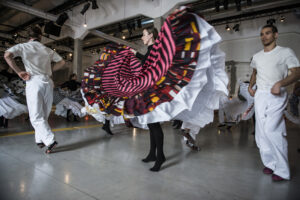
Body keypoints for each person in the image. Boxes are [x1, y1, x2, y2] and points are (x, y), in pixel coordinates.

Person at [248, 24, 300, 181]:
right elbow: (255, 72)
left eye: (268, 33)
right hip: (260, 95)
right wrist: (251, 86)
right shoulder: (257, 56)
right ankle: (270, 164)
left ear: (276, 35)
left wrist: (280, 84)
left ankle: (283, 170)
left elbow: (296, 72)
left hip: (277, 93)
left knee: (272, 130)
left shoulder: (285, 52)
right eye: (262, 34)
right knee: (261, 134)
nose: (264, 36)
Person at [4, 26, 65, 154]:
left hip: (34, 81)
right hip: (48, 81)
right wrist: (50, 70)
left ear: (28, 36)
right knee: (44, 113)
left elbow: (7, 55)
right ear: (40, 36)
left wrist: (19, 71)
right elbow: (62, 62)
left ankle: (50, 140)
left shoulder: (23, 46)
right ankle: (39, 140)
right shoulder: (46, 49)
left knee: (36, 116)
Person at [131, 27, 166, 172]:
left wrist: (136, 54)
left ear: (151, 35)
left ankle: (160, 157)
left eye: (144, 35)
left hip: (154, 92)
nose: (142, 37)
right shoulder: (151, 49)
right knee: (152, 123)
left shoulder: (155, 49)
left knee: (155, 124)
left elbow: (150, 64)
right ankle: (154, 154)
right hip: (149, 90)